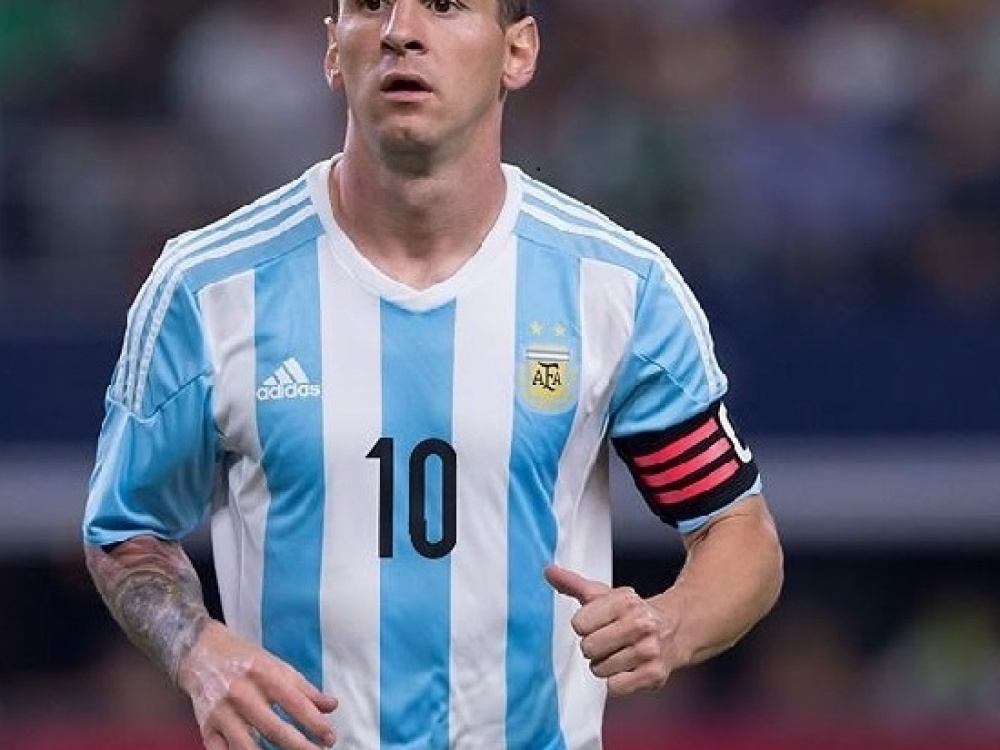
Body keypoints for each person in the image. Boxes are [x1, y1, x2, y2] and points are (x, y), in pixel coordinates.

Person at [82, 1, 784, 749]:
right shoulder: (207, 290)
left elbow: (736, 528)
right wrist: (196, 650)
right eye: (369, 5)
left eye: (445, 5)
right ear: (333, 49)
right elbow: (127, 529)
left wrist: (671, 623)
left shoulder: (617, 288)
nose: (400, 31)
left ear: (517, 52)